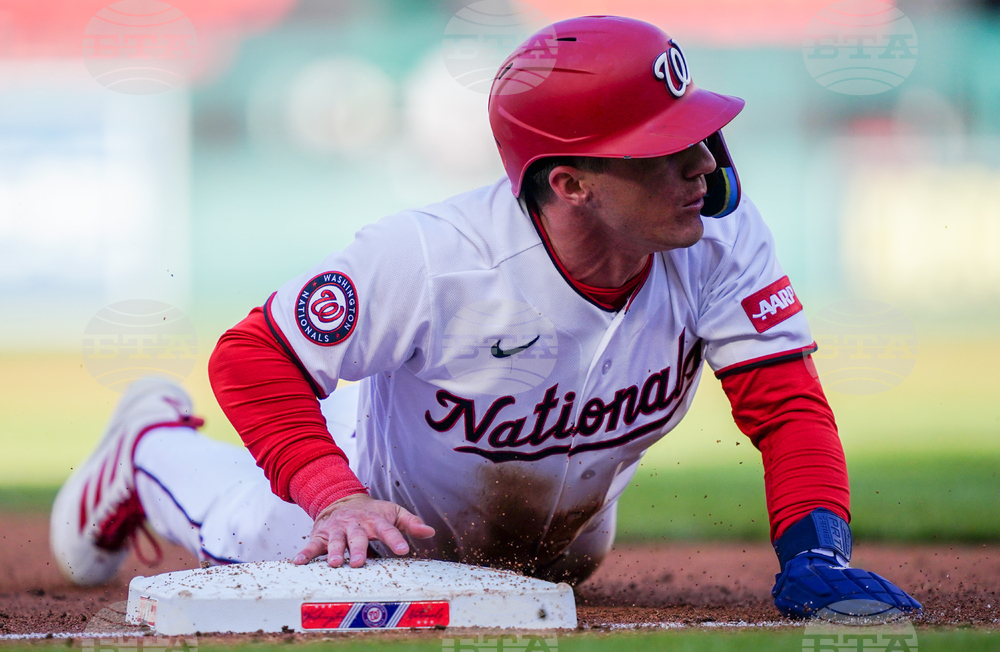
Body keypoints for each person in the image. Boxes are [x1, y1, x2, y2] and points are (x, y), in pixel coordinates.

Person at [51, 16, 920, 620]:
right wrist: (335, 494)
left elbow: (786, 405)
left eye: (697, 133)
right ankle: (147, 451)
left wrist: (817, 551)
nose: (700, 162)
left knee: (558, 572)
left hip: (555, 535)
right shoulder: (435, 257)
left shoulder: (718, 236)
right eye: (663, 149)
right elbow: (253, 355)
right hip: (389, 491)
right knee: (278, 547)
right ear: (569, 183)